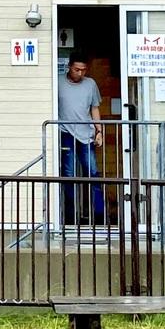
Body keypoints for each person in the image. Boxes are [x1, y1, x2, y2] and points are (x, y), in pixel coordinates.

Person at [58, 55, 105, 224]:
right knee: (69, 176)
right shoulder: (57, 82)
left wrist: (99, 131)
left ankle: (99, 217)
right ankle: (70, 218)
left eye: (83, 70)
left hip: (86, 134)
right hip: (65, 133)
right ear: (69, 67)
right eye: (76, 69)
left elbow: (95, 108)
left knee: (93, 174)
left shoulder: (90, 84)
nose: (80, 73)